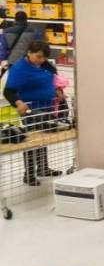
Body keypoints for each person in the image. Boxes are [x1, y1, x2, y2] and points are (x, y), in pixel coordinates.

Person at [4, 41, 63, 186]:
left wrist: (57, 90)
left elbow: (52, 76)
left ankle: (43, 168)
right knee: (32, 141)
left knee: (44, 138)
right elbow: (8, 91)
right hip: (31, 109)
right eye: (39, 56)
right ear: (29, 52)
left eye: (44, 57)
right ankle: (29, 175)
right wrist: (18, 103)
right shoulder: (19, 68)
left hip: (47, 106)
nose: (41, 60)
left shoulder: (43, 64)